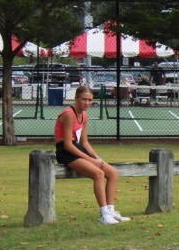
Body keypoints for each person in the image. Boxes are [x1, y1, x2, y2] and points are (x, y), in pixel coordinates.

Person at [54, 86, 130, 225]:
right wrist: (90, 160)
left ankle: (111, 211)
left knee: (113, 173)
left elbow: (84, 142)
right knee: (98, 174)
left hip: (77, 149)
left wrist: (96, 158)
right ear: (76, 99)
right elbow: (67, 145)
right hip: (66, 152)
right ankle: (104, 215)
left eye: (90, 100)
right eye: (84, 99)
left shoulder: (84, 115)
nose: (87, 103)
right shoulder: (69, 114)